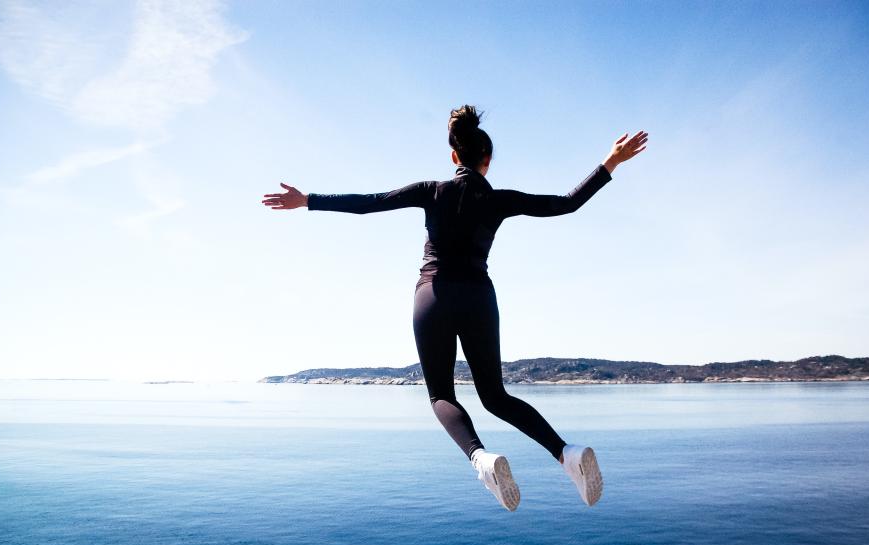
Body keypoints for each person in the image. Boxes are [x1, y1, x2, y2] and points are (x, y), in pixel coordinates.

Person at [263, 105, 647, 511]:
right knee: (495, 395)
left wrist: (308, 200)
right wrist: (610, 162)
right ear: (488, 160)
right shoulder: (501, 200)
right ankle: (566, 453)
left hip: (434, 294)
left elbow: (370, 202)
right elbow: (566, 203)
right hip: (479, 296)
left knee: (441, 394)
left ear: (453, 156)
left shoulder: (432, 191)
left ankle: (481, 458)